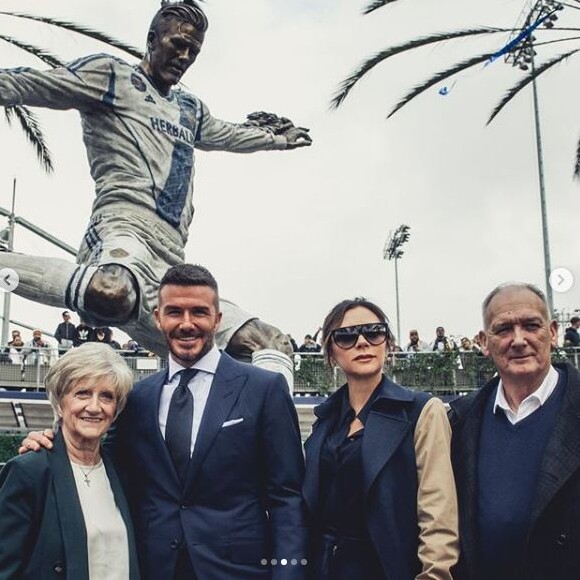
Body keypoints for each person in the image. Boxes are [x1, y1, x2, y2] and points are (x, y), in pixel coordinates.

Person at [0, 0, 310, 360]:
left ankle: (250, 411)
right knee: (111, 290)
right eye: (178, 44)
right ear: (152, 39)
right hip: (122, 228)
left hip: (171, 256)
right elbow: (36, 83)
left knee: (268, 343)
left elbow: (228, 134)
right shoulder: (112, 76)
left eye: (193, 50)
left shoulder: (190, 109)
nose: (185, 56)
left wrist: (276, 139)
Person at [22, 263, 307, 580]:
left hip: (237, 571)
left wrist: (288, 574)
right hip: (153, 568)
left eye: (199, 312)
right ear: (158, 318)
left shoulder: (263, 389)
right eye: (174, 312)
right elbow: (98, 461)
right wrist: (49, 444)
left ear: (217, 319)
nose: (187, 324)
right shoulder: (137, 398)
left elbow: (287, 497)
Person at [303, 297, 459, 580]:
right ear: (331, 352)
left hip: (385, 568)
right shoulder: (325, 421)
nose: (362, 342)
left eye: (374, 332)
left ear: (387, 343)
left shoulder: (422, 411)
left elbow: (438, 513)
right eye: (346, 336)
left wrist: (433, 575)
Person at [449, 283, 580, 580]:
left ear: (553, 332)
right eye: (504, 329)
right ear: (484, 341)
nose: (518, 340)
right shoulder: (461, 419)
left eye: (531, 325)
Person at [0, 343, 139, 579]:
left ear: (116, 410)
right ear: (60, 403)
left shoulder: (122, 472)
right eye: (82, 393)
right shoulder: (30, 472)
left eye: (106, 396)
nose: (94, 407)